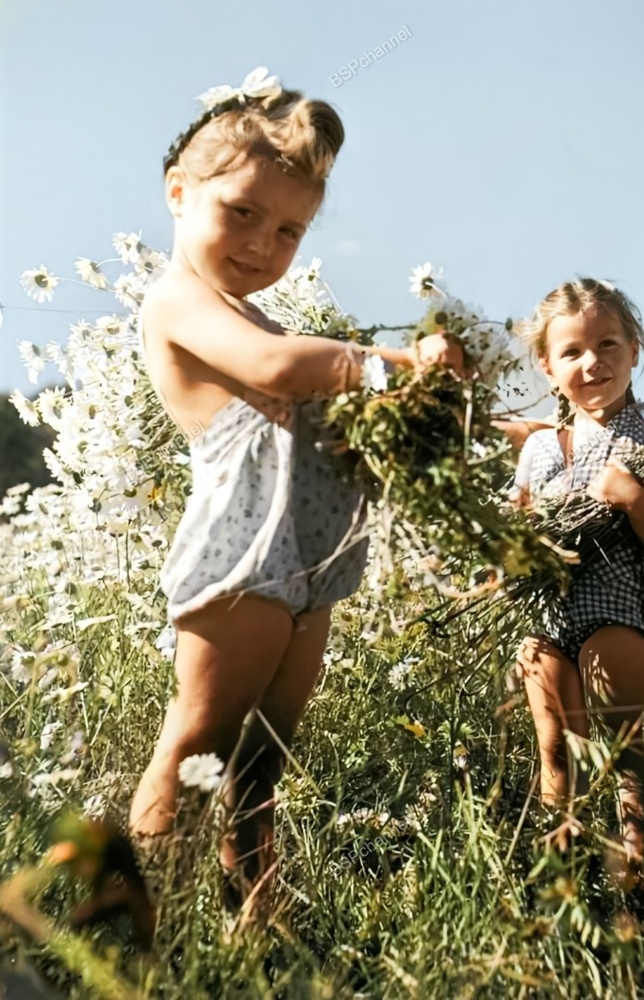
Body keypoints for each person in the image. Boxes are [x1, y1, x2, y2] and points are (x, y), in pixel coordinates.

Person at [127, 69, 463, 914]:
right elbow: (279, 371)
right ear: (179, 192)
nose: (260, 245)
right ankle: (141, 911)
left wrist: (443, 408)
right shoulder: (176, 301)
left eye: (288, 231)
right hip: (240, 553)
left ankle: (257, 913)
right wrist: (386, 363)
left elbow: (336, 418)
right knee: (200, 736)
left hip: (311, 561)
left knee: (264, 755)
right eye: (240, 213)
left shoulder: (266, 319)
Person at [507, 278, 644, 880]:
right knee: (555, 749)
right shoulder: (539, 450)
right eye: (572, 352)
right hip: (548, 619)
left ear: (635, 349)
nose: (593, 363)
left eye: (608, 344)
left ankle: (643, 870)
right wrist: (522, 546)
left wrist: (635, 498)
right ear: (547, 366)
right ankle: (562, 877)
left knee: (620, 750)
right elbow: (518, 526)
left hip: (618, 611)